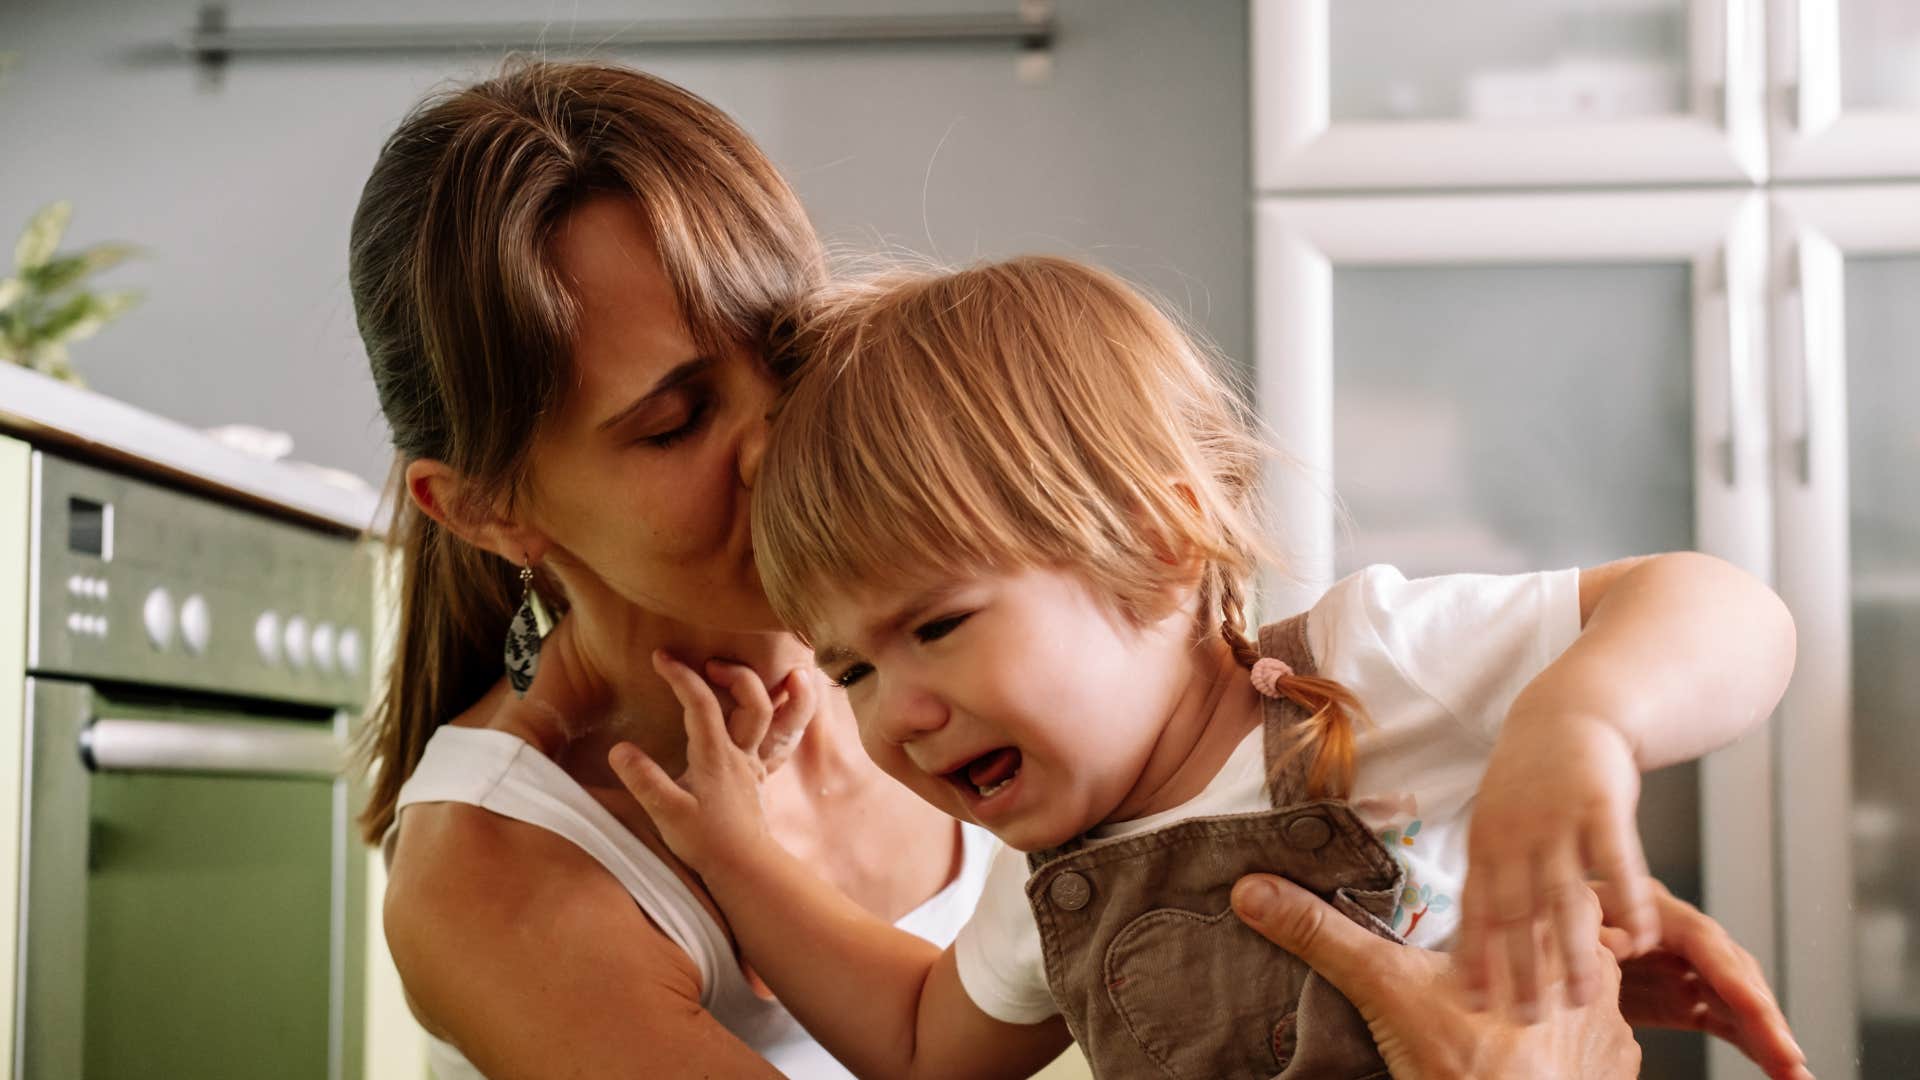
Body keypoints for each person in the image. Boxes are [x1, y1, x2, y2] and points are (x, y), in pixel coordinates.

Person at [352, 58, 1802, 1079]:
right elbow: (931, 1044)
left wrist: (1552, 779)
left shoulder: (1268, 676)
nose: (775, 435)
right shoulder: (505, 872)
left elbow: (1704, 609)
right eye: (674, 420)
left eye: (784, 354)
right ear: (484, 510)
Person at [608, 258, 1809, 1078]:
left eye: (937, 627)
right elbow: (921, 1047)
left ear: (1156, 540)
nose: (902, 715)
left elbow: (1729, 609)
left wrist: (1582, 716)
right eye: (849, 673)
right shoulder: (1050, 894)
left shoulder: (1368, 666)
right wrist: (736, 856)